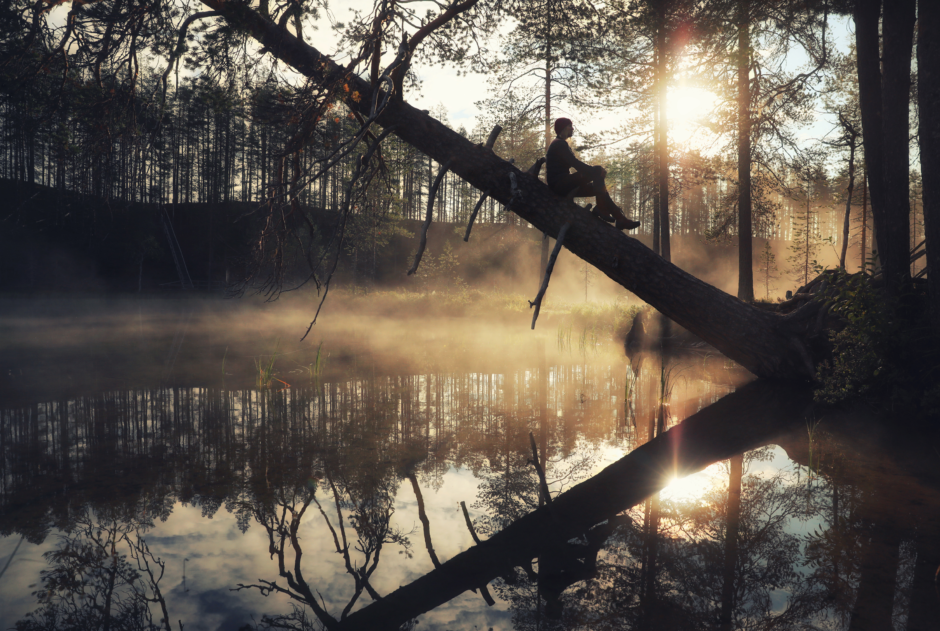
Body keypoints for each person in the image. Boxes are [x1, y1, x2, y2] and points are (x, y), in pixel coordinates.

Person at [545, 118, 640, 231]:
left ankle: (620, 219)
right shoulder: (559, 144)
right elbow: (575, 164)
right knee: (596, 172)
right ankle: (602, 209)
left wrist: (595, 172)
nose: (572, 128)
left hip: (563, 185)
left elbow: (575, 164)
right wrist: (596, 171)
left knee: (600, 189)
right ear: (563, 128)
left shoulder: (561, 143)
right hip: (559, 185)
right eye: (570, 126)